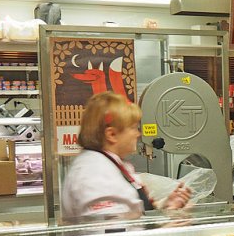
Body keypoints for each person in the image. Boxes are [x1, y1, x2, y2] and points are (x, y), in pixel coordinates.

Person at [62, 92, 191, 223]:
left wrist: (165, 206)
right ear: (111, 134)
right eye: (133, 128)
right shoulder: (95, 173)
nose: (138, 134)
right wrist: (167, 230)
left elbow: (129, 216)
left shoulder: (109, 163)